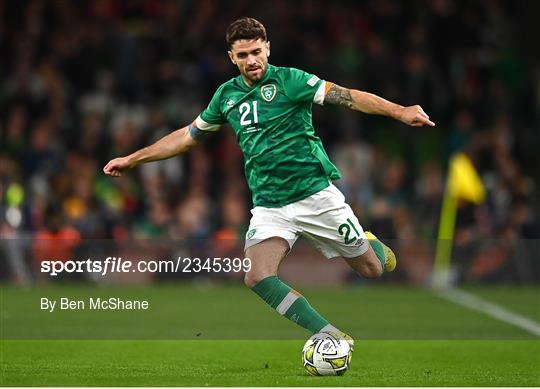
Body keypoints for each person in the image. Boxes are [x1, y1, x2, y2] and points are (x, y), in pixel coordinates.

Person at [103, 17, 435, 349]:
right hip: (269, 205)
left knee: (372, 269)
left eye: (257, 52)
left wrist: (399, 111)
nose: (252, 61)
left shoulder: (292, 80)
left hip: (315, 195)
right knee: (257, 276)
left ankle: (368, 242)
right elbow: (187, 138)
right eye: (244, 55)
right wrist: (133, 158)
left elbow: (348, 97)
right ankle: (330, 335)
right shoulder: (226, 96)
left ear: (268, 48)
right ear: (232, 57)